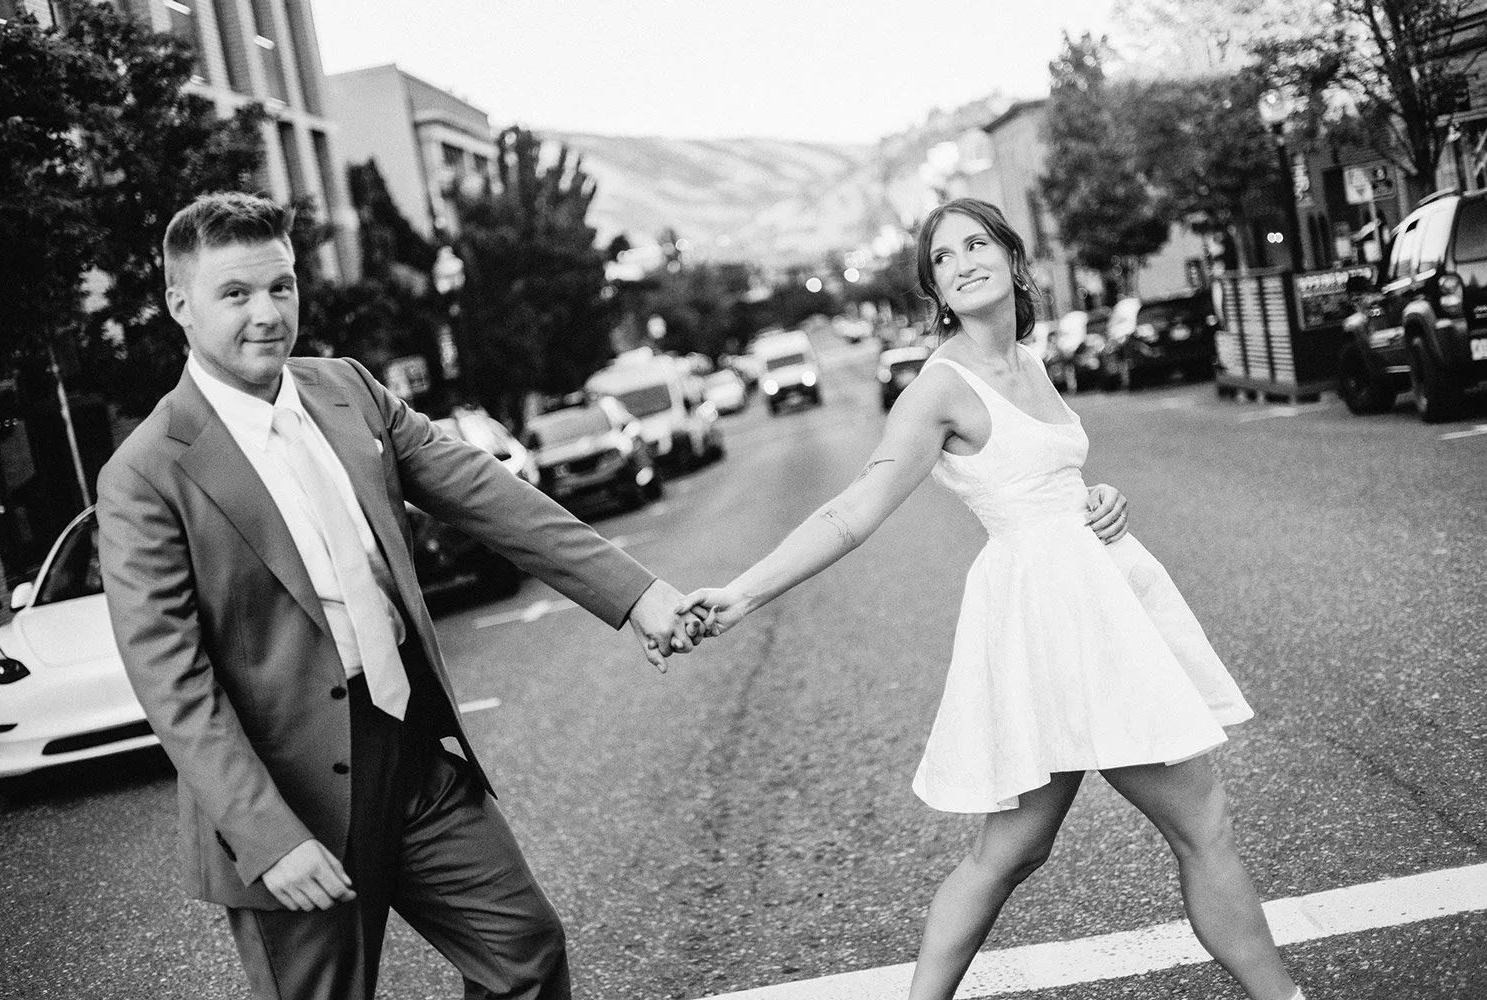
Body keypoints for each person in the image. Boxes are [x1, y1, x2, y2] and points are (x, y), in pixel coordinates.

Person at [679, 199, 1304, 1000]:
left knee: (1012, 851)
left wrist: (1098, 495)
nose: (963, 262)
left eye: (977, 244)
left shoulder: (1030, 362)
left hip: (1091, 594)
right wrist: (739, 593)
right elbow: (852, 512)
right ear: (936, 290)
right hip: (1058, 619)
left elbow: (1043, 479)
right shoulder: (938, 388)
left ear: (1013, 259)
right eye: (943, 258)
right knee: (1199, 822)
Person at [96, 191, 703, 1000]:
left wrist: (638, 596)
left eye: (281, 286)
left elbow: (488, 493)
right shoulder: (145, 473)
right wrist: (267, 836)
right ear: (180, 303)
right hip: (290, 797)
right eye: (234, 294)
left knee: (523, 949)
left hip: (412, 750)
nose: (267, 313)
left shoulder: (347, 390)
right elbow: (173, 682)